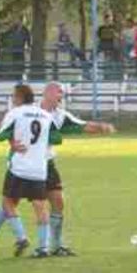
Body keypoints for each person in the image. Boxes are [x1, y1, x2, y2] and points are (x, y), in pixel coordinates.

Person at [0, 84, 62, 258]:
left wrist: (11, 138)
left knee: (8, 204)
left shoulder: (15, 113)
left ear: (19, 97)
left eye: (14, 96)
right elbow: (56, 138)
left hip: (19, 167)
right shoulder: (45, 115)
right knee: (40, 206)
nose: (12, 99)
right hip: (39, 168)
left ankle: (21, 237)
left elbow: (0, 134)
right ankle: (43, 248)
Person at [39, 82, 115, 256]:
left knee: (58, 201)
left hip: (47, 164)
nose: (61, 96)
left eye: (62, 94)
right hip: (26, 164)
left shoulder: (60, 115)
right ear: (47, 93)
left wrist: (101, 127)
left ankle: (56, 245)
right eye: (59, 92)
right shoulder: (30, 111)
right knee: (11, 201)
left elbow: (82, 125)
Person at [97, 12, 118, 79]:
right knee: (103, 59)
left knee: (112, 59)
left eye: (109, 20)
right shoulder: (101, 28)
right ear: (104, 20)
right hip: (103, 44)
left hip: (111, 44)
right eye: (107, 20)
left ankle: (112, 74)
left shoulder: (113, 27)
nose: (108, 21)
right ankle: (104, 75)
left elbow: (116, 36)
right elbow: (99, 36)